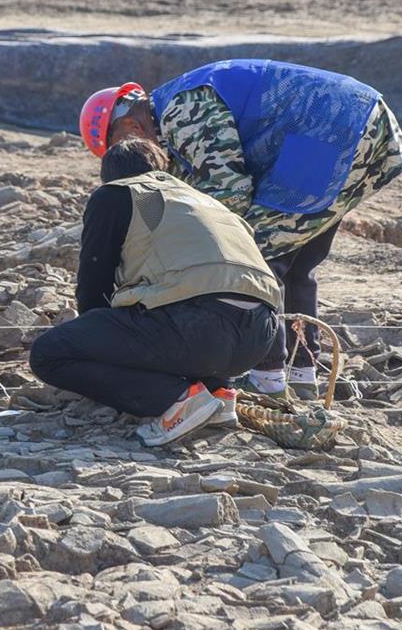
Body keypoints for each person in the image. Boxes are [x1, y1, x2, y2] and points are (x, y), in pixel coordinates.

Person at [78, 58, 402, 396]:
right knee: (297, 263)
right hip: (357, 119)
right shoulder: (176, 109)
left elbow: (230, 193)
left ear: (133, 129)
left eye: (121, 146)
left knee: (251, 256)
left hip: (329, 127)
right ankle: (302, 374)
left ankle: (266, 378)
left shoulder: (180, 111)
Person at [29, 138, 282, 446]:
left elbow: (94, 281)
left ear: (109, 176)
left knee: (48, 354)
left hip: (198, 328)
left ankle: (174, 401)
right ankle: (218, 393)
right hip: (259, 338)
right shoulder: (209, 203)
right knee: (182, 315)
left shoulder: (120, 194)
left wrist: (96, 342)